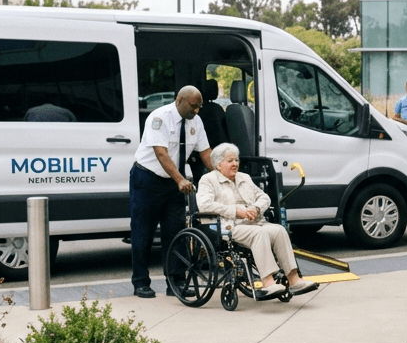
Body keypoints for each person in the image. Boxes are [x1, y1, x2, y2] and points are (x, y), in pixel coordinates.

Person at [197, 143, 318, 299]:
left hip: (254, 222)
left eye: (236, 160)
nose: (235, 164)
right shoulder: (208, 180)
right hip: (229, 226)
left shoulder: (244, 177)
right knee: (259, 234)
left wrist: (256, 208)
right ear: (218, 165)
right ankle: (268, 282)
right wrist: (236, 211)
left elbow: (264, 197)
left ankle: (294, 279)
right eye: (230, 161)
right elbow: (205, 204)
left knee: (279, 230)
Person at [130, 86, 214, 298]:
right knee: (143, 232)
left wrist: (222, 173)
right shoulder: (159, 118)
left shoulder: (196, 121)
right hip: (147, 179)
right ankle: (140, 282)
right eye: (193, 106)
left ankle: (175, 282)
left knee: (175, 233)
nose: (196, 111)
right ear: (180, 100)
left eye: (199, 107)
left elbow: (205, 152)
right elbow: (161, 153)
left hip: (175, 182)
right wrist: (180, 179)